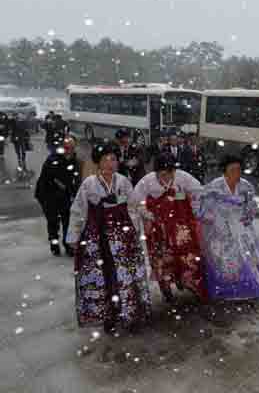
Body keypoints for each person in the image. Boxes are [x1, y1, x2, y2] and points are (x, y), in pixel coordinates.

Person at [66, 142, 151, 334]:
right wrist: (73, 235)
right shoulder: (89, 184)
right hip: (98, 237)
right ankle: (108, 315)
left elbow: (135, 203)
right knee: (105, 277)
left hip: (123, 236)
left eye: (113, 159)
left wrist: (145, 215)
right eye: (105, 159)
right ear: (98, 162)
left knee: (125, 275)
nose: (110, 163)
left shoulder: (123, 181)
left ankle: (129, 313)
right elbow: (78, 211)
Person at [132, 152, 207, 303]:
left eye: (171, 172)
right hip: (158, 227)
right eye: (163, 173)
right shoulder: (147, 182)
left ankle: (189, 281)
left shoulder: (183, 177)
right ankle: (165, 286)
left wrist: (194, 207)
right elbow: (135, 200)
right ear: (156, 172)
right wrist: (147, 214)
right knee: (161, 257)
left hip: (180, 224)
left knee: (187, 253)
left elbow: (199, 192)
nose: (167, 176)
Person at [199, 155, 259, 302]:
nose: (236, 173)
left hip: (241, 226)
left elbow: (251, 205)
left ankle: (253, 288)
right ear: (224, 171)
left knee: (248, 257)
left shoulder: (246, 186)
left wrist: (248, 216)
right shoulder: (215, 186)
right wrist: (216, 220)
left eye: (239, 169)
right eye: (232, 170)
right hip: (221, 227)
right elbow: (205, 207)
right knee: (224, 260)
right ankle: (227, 290)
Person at [34, 137, 82, 256]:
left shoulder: (75, 161)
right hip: (47, 195)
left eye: (71, 147)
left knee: (67, 220)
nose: (69, 150)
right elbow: (49, 179)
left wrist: (75, 193)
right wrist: (62, 186)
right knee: (53, 220)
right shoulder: (53, 160)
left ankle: (68, 245)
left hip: (64, 195)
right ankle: (54, 244)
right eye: (66, 148)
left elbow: (75, 180)